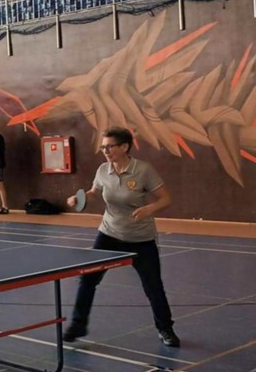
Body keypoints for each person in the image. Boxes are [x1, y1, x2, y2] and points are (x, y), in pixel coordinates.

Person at [62, 127, 180, 348]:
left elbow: (166, 198)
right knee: (88, 279)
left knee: (153, 287)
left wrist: (149, 208)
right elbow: (94, 193)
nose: (105, 150)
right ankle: (78, 325)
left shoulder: (143, 170)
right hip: (109, 234)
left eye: (109, 146)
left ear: (125, 147)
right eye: (103, 147)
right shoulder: (103, 170)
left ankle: (165, 328)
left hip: (140, 239)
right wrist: (78, 198)